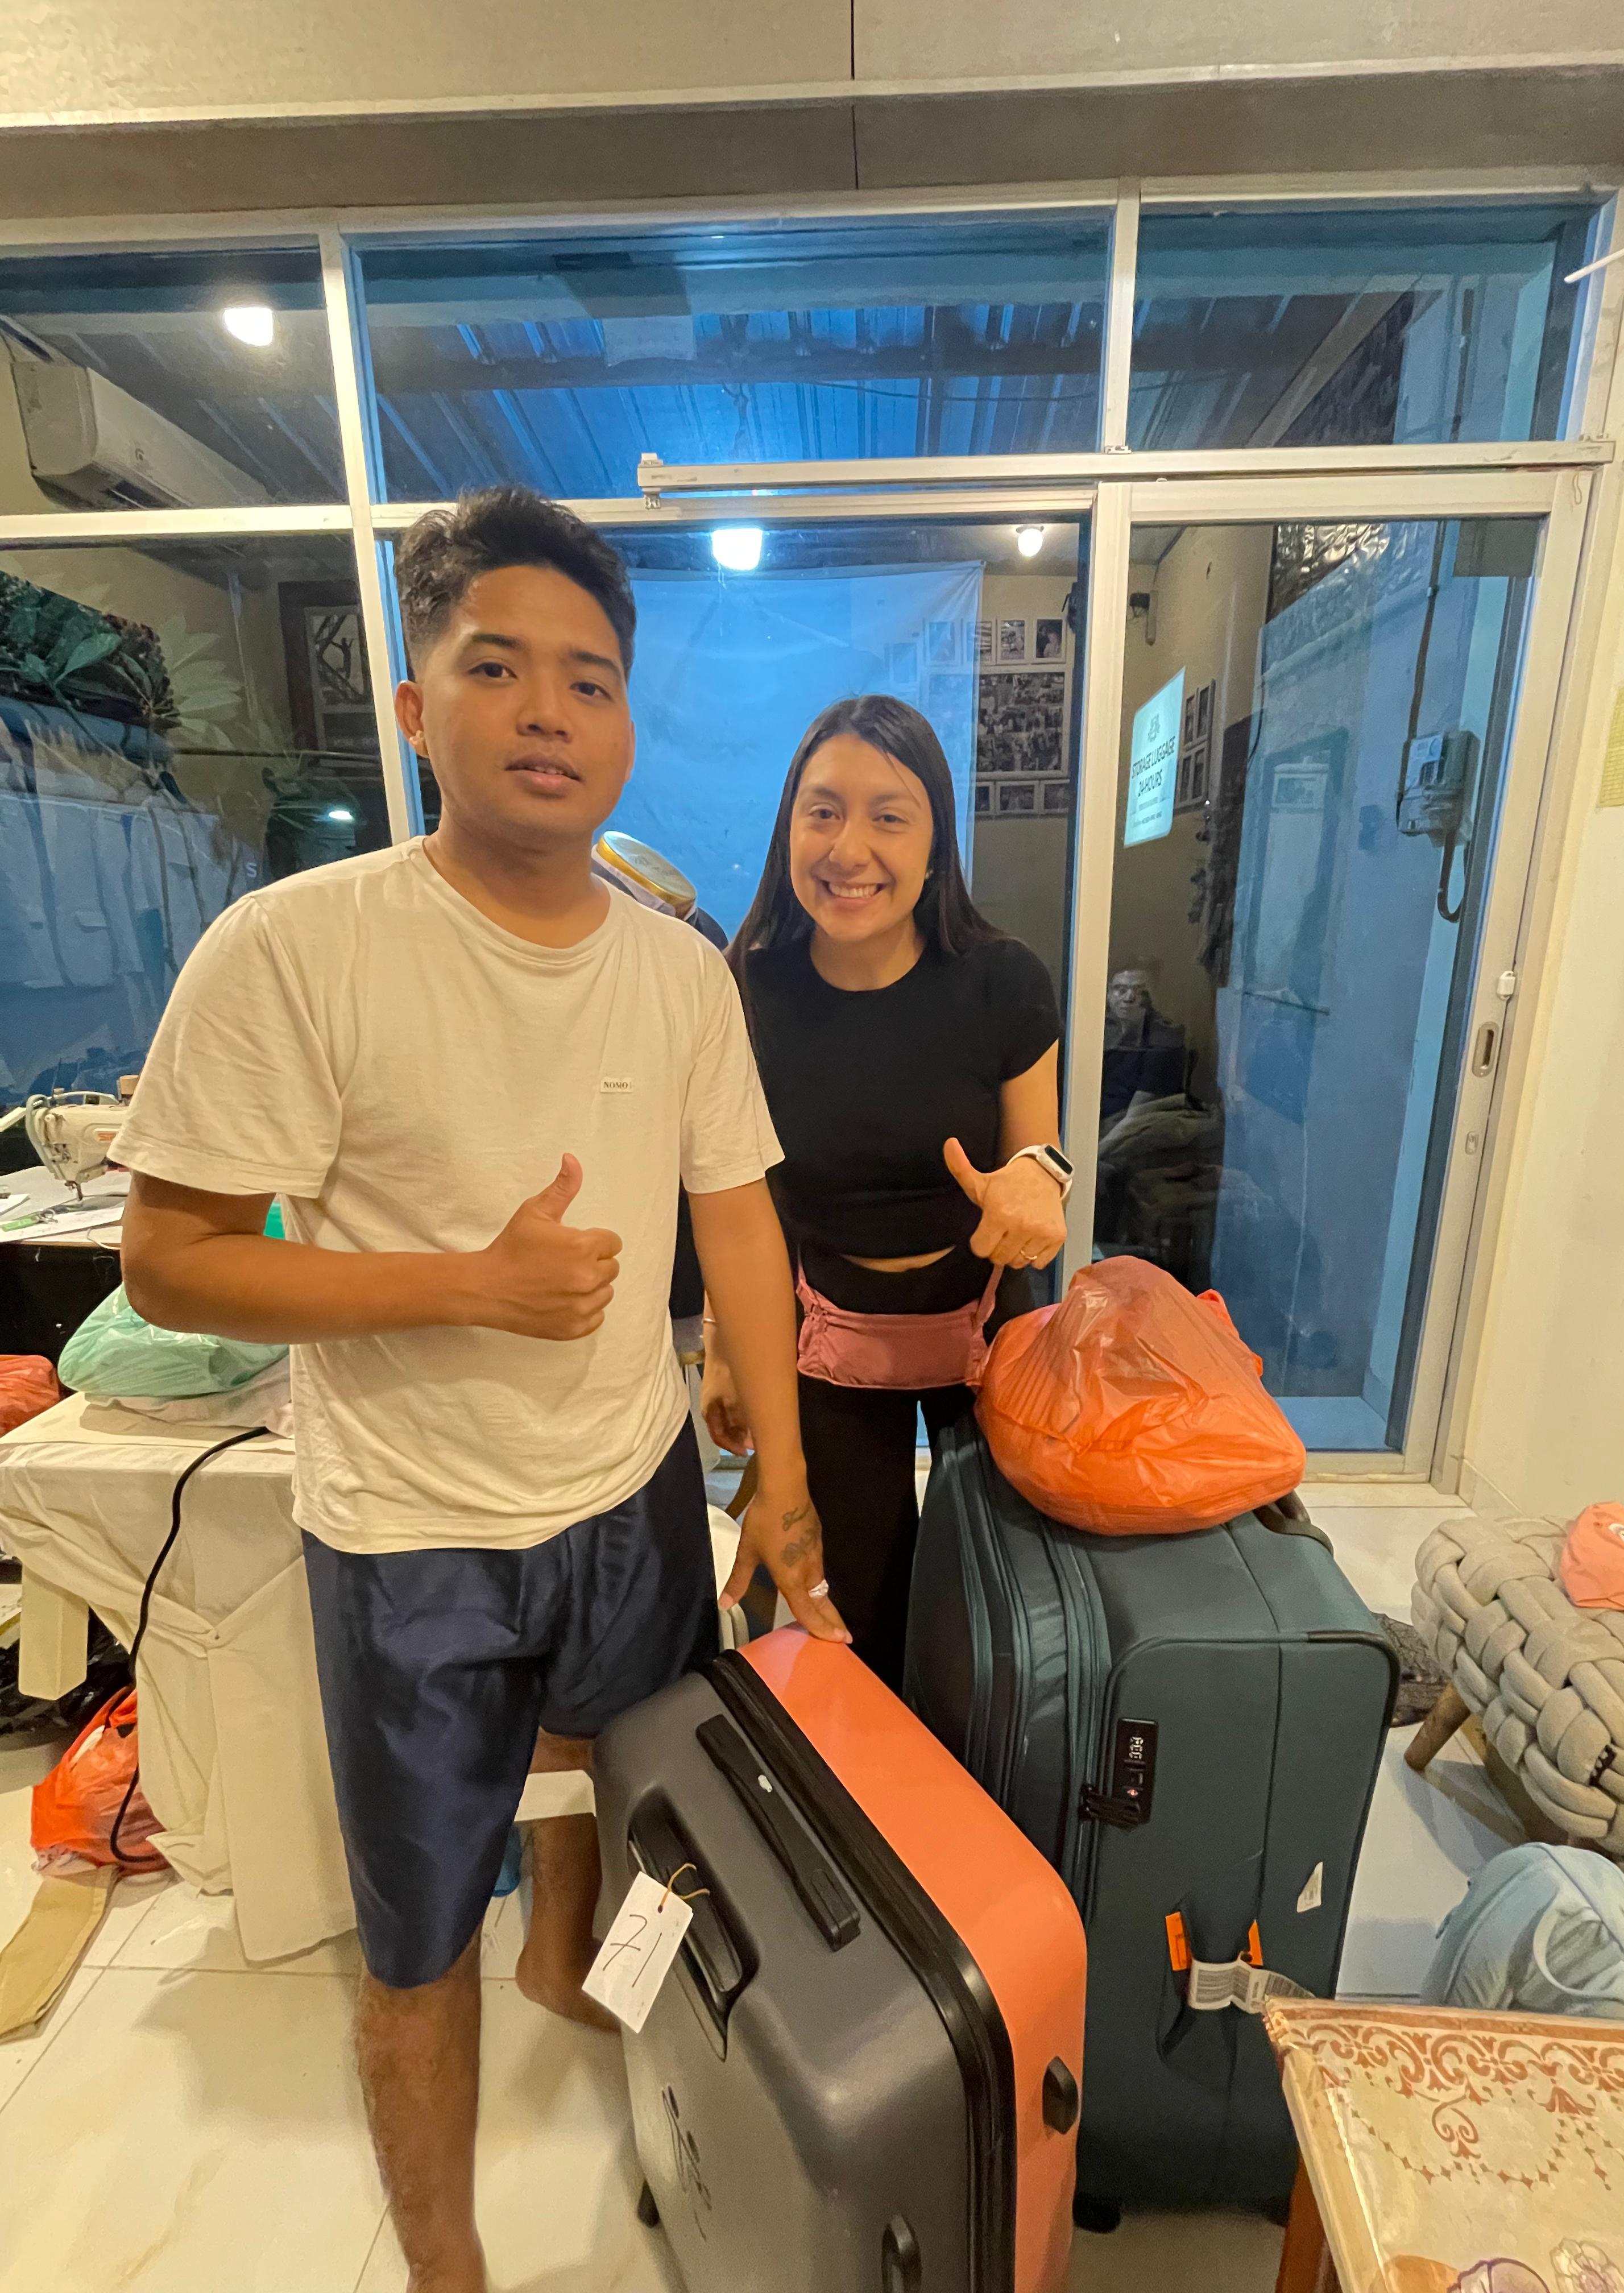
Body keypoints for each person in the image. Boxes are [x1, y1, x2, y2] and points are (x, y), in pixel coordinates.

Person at [114, 486, 844, 2293]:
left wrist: (783, 1471)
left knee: (636, 1795)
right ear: (416, 703)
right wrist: (470, 1286)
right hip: (410, 1527)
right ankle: (444, 2260)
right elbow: (171, 1261)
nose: (547, 713)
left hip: (634, 1489)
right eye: (496, 667)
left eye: (590, 681)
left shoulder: (680, 973)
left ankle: (574, 1970)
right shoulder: (294, 948)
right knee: (417, 1927)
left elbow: (741, 1224)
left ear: (625, 721)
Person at [701, 694, 1071, 1691]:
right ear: (788, 828)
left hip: (984, 1322)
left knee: (1000, 1609)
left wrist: (1039, 1187)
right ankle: (868, 1777)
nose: (849, 848)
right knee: (848, 1610)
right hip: (828, 1326)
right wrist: (724, 1345)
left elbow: (1040, 1156)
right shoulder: (746, 989)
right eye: (822, 812)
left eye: (889, 816)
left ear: (936, 841)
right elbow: (736, 1200)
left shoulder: (1003, 981)